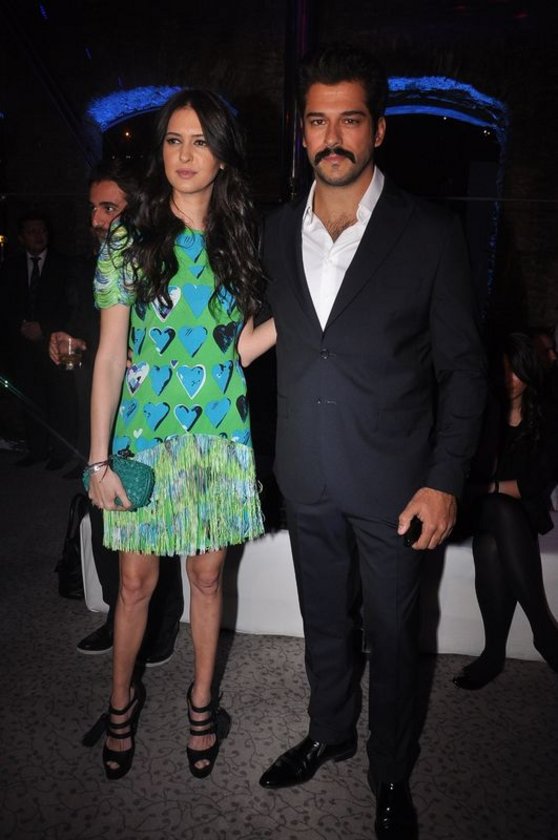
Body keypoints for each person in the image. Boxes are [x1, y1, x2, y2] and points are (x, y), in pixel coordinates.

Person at [256, 45, 486, 839]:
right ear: (302, 131)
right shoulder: (275, 230)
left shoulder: (431, 232)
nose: (333, 137)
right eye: (318, 121)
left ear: (378, 129)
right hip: (305, 472)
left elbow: (464, 370)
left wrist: (445, 479)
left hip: (397, 484)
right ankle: (329, 732)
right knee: (323, 621)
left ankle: (389, 774)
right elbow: (243, 333)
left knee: (394, 640)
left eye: (349, 119)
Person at [86, 89, 275, 781]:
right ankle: (120, 702)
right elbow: (111, 356)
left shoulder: (242, 237)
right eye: (173, 140)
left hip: (220, 436)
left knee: (208, 575)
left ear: (223, 155)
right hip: (143, 436)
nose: (185, 155)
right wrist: (98, 459)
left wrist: (303, 315)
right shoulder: (129, 239)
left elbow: (238, 350)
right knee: (135, 583)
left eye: (200, 141)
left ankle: (201, 702)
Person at [50, 161, 184, 667]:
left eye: (109, 207)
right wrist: (63, 339)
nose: (97, 219)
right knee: (108, 526)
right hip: (101, 411)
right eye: (93, 208)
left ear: (137, 208)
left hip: (150, 414)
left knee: (153, 523)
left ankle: (162, 624)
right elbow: (83, 325)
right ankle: (117, 616)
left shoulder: (157, 257)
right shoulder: (90, 260)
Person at [453, 332, 558, 690]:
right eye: (503, 371)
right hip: (473, 510)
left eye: (516, 371)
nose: (510, 379)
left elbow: (533, 484)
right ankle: (544, 633)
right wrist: (487, 491)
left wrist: (488, 489)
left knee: (491, 544)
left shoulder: (548, 417)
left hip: (516, 513)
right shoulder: (481, 411)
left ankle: (493, 654)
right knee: (498, 510)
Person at [0, 213, 74, 467]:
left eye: (42, 230)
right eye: (31, 231)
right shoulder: (10, 266)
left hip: (53, 342)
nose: (38, 236)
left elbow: (69, 304)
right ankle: (37, 449)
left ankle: (61, 453)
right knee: (30, 399)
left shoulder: (63, 264)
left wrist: (44, 327)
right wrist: (20, 326)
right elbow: (6, 303)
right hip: (23, 346)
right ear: (21, 237)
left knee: (60, 399)